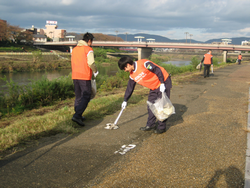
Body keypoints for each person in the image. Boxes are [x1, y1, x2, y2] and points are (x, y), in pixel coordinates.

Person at [118, 57, 172, 134]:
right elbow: (130, 88)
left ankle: (161, 127)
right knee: (150, 105)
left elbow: (157, 70)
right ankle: (150, 125)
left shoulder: (144, 64)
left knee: (161, 106)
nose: (125, 70)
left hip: (163, 81)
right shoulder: (132, 75)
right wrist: (125, 100)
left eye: (124, 68)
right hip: (153, 86)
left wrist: (162, 83)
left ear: (128, 65)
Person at [71, 32, 99, 126]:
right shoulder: (88, 49)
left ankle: (78, 115)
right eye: (92, 41)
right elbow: (91, 63)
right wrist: (95, 71)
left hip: (75, 75)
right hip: (84, 76)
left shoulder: (74, 49)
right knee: (86, 96)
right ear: (89, 41)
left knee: (78, 97)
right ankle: (77, 115)